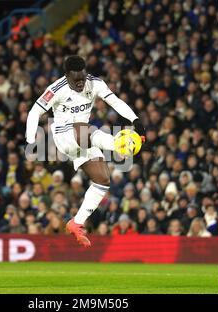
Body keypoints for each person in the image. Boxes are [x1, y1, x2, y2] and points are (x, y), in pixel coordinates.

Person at [26, 55, 145, 247]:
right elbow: (34, 112)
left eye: (83, 78)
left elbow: (115, 101)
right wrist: (30, 141)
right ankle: (119, 145)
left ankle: (76, 223)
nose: (81, 83)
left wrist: (136, 120)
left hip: (84, 139)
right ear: (67, 76)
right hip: (64, 135)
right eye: (76, 80)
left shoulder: (95, 83)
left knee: (103, 179)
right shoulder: (56, 89)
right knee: (88, 129)